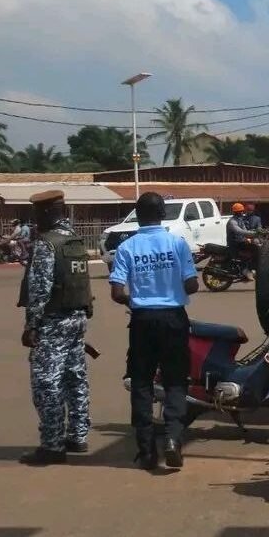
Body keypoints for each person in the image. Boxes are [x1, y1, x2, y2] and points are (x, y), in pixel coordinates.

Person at [109, 192, 199, 470]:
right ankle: (172, 439)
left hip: (142, 320)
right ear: (162, 213)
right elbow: (192, 284)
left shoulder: (127, 247)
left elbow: (116, 292)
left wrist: (136, 299)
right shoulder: (177, 243)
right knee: (175, 381)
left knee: (142, 382)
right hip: (173, 318)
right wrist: (170, 287)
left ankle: (146, 450)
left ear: (137, 214)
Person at [19, 190, 94, 465]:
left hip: (53, 322)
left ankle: (52, 445)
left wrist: (31, 325)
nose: (36, 219)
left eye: (38, 213)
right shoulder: (74, 239)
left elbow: (39, 289)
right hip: (77, 319)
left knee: (46, 383)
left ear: (49, 212)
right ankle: (78, 435)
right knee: (75, 379)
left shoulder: (46, 243)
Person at [225, 202, 257, 278]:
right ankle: (245, 270)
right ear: (236, 212)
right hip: (234, 244)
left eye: (242, 211)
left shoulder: (240, 220)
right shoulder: (232, 222)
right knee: (253, 249)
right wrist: (253, 234)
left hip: (240, 242)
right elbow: (239, 231)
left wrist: (250, 237)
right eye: (240, 211)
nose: (242, 213)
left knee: (255, 247)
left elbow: (245, 230)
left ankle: (248, 268)